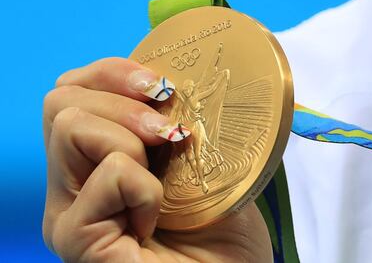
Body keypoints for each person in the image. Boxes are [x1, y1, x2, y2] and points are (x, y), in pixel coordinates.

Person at [42, 57, 273, 262]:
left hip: (196, 130)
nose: (191, 88)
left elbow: (210, 85)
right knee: (192, 159)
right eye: (190, 87)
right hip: (186, 132)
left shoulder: (201, 94)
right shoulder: (187, 96)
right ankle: (199, 181)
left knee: (200, 153)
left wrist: (220, 72)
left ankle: (202, 178)